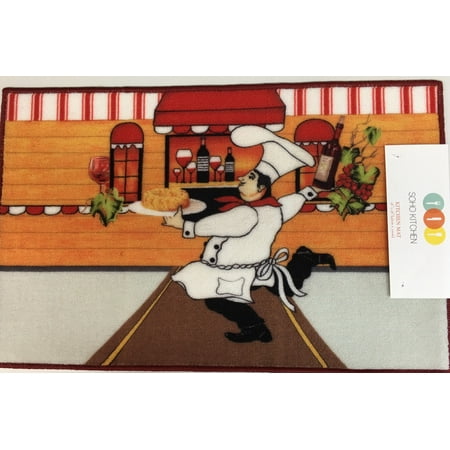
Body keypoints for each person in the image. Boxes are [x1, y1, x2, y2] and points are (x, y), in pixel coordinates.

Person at [163, 125, 336, 343]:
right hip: (255, 267)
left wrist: (184, 225)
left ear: (261, 189)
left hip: (242, 269)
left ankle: (256, 328)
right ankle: (305, 258)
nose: (243, 178)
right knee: (285, 287)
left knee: (216, 299)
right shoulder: (274, 209)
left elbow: (218, 225)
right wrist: (311, 191)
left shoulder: (247, 213)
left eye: (250, 177)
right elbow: (292, 202)